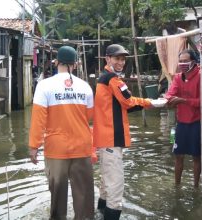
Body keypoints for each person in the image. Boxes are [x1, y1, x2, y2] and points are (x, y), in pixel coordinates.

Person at [28, 46, 96, 220]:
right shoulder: (85, 87)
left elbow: (38, 120)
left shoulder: (44, 86)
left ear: (56, 62)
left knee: (57, 195)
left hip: (56, 149)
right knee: (84, 195)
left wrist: (34, 146)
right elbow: (89, 117)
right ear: (75, 64)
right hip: (82, 146)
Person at [93, 44, 153, 219]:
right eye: (117, 58)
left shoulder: (103, 78)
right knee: (116, 186)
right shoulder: (113, 79)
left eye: (123, 59)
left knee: (106, 183)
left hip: (104, 139)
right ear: (107, 59)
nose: (121, 62)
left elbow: (123, 106)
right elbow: (128, 101)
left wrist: (142, 104)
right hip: (111, 138)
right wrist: (152, 102)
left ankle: (100, 213)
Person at [165, 49, 202, 188]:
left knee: (197, 157)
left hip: (197, 122)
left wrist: (183, 100)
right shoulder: (178, 77)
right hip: (181, 123)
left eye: (185, 61)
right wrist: (170, 100)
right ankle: (176, 185)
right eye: (181, 61)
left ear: (194, 62)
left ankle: (196, 186)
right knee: (178, 155)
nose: (182, 63)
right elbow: (169, 94)